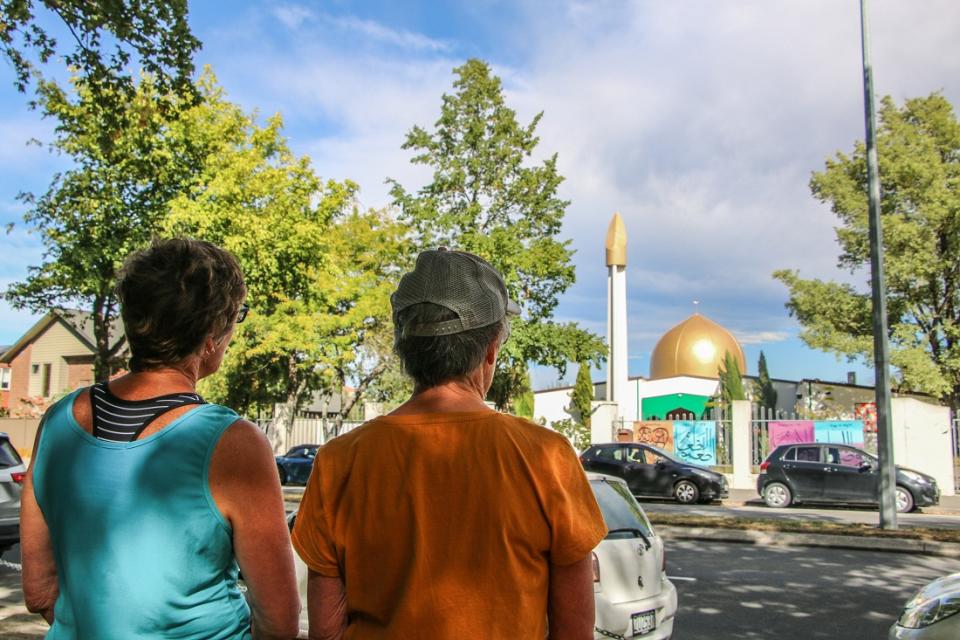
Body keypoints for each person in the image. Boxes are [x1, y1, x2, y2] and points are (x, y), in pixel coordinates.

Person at [292, 248, 606, 639]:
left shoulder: (339, 461)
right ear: (490, 349)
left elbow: (326, 628)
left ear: (404, 350)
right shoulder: (547, 456)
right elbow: (574, 629)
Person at [20, 238, 300, 639]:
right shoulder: (233, 443)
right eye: (235, 319)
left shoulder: (59, 421)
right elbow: (279, 622)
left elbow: (39, 592)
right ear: (210, 339)